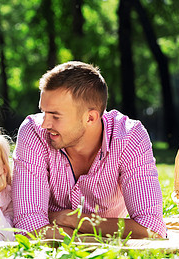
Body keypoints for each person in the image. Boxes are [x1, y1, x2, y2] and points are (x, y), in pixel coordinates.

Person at [12, 61, 166, 239]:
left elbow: (151, 228)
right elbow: (28, 225)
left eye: (55, 116)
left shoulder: (129, 137)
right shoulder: (33, 132)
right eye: (44, 112)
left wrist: (73, 220)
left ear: (90, 118)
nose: (45, 124)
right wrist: (89, 239)